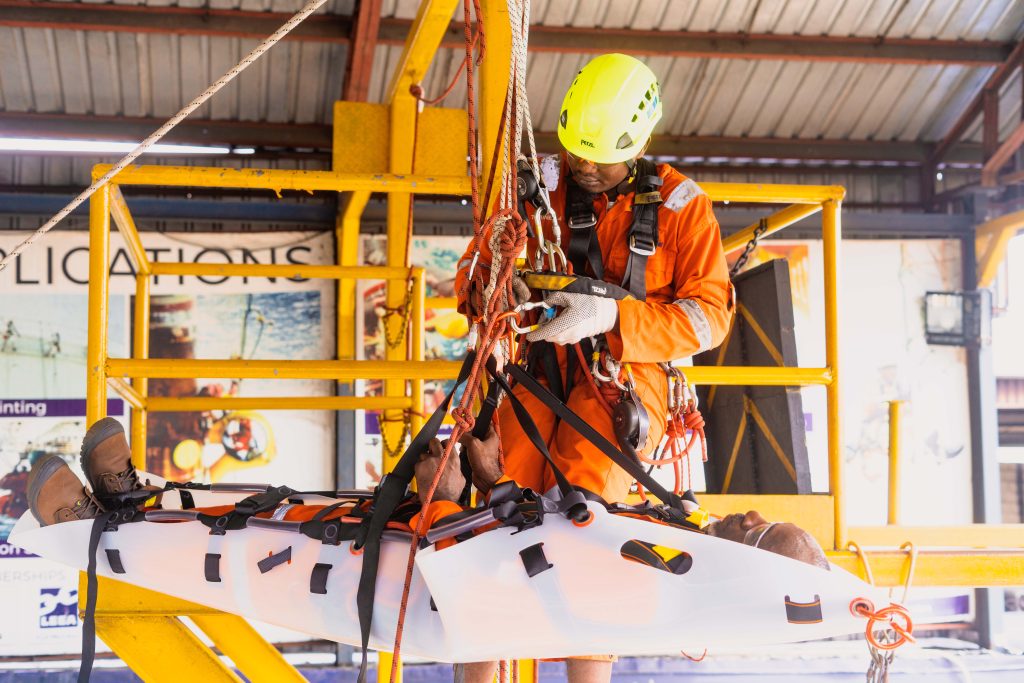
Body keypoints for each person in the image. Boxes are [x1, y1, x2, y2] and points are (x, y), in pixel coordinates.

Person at [454, 53, 734, 682]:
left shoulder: (682, 209)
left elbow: (709, 318)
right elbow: (470, 284)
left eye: (598, 157)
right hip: (537, 368)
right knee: (495, 510)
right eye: (575, 150)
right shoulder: (536, 185)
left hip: (627, 379)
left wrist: (617, 320)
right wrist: (500, 288)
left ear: (637, 145)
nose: (583, 166)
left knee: (586, 516)